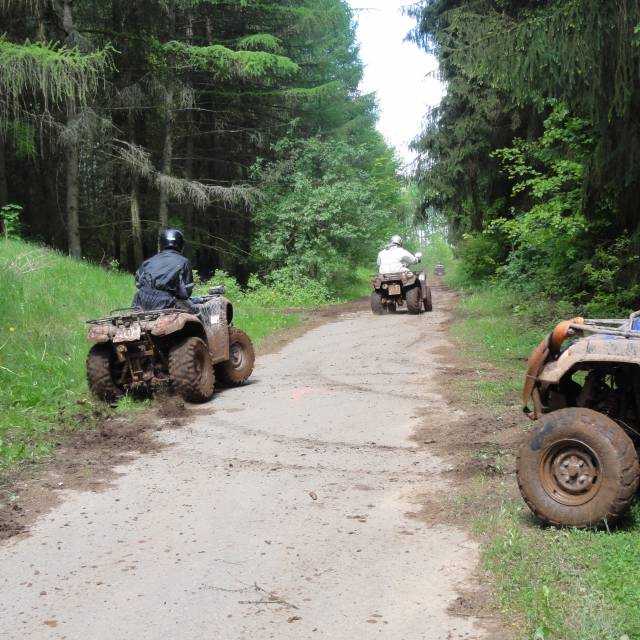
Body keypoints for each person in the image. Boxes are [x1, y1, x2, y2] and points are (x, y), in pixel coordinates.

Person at [132, 228, 200, 312]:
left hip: (140, 302)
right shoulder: (184, 262)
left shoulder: (148, 262)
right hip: (166, 304)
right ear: (181, 244)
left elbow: (138, 283)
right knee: (196, 312)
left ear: (162, 243)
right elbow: (186, 292)